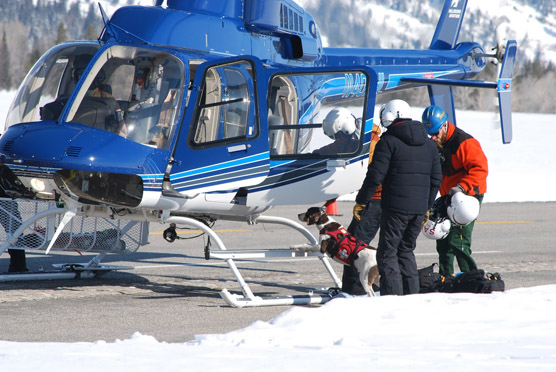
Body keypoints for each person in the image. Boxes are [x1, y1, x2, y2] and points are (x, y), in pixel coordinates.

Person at [355, 99, 441, 295]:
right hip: (419, 210)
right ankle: (412, 296)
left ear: (390, 116)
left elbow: (375, 175)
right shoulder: (429, 144)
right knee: (406, 251)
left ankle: (393, 299)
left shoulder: (388, 141)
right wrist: (426, 206)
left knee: (388, 253)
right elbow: (436, 178)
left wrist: (362, 200)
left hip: (395, 208)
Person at [421, 105, 488, 276]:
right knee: (442, 239)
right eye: (431, 135)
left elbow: (480, 169)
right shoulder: (436, 144)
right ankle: (446, 278)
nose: (433, 138)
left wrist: (461, 188)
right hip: (448, 196)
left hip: (467, 196)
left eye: (436, 133)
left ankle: (472, 277)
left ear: (444, 126)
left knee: (458, 240)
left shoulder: (464, 142)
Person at [342, 116, 383, 295]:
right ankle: (358, 287)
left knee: (355, 245)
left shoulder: (371, 146)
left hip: (374, 199)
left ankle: (355, 290)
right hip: (377, 199)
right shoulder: (368, 141)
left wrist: (362, 200)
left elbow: (373, 175)